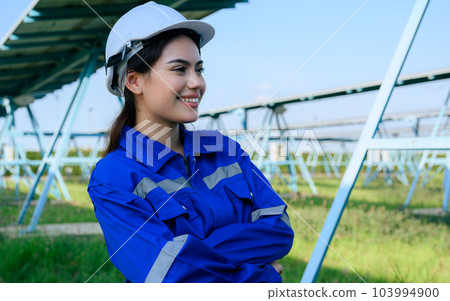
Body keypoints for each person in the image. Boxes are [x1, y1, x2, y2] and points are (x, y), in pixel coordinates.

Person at [88, 1, 294, 283]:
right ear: (134, 81)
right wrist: (263, 278)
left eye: (199, 68)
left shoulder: (224, 150)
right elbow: (170, 275)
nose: (197, 82)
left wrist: (196, 252)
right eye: (180, 69)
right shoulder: (114, 177)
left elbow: (280, 228)